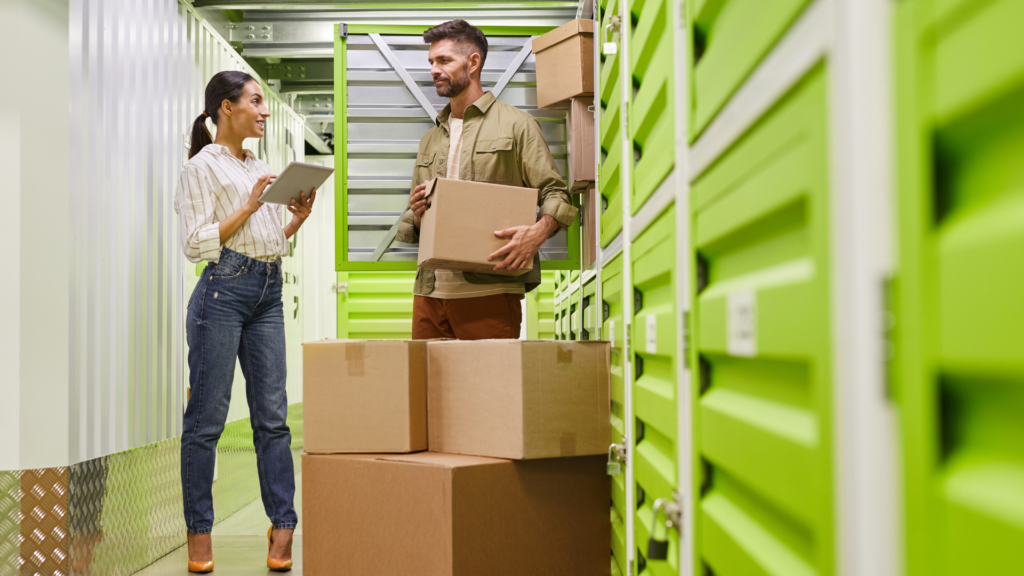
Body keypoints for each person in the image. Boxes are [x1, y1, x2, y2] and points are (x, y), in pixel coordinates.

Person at [174, 70, 315, 573]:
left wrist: (295, 217)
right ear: (225, 108)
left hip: (268, 292)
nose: (264, 110)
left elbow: (270, 236)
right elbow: (196, 244)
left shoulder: (263, 165)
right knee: (206, 422)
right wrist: (251, 204)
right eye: (255, 101)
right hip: (222, 293)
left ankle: (282, 526)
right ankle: (199, 534)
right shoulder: (201, 167)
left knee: (272, 420)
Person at [397, 20, 578, 340]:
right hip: (428, 294)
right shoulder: (430, 139)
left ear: (473, 62)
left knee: (489, 391)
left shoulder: (517, 125)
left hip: (489, 292)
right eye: (431, 62)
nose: (434, 70)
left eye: (443, 60)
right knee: (428, 391)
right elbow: (422, 217)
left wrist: (538, 232)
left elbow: (556, 193)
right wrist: (418, 212)